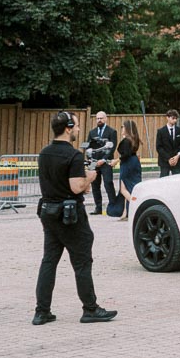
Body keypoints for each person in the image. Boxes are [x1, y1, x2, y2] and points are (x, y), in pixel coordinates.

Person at [32, 111, 117, 325]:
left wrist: (80, 186)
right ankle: (90, 309)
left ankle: (42, 311)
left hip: (48, 212)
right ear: (68, 128)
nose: (79, 130)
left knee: (49, 261)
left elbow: (58, 182)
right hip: (69, 215)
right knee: (81, 262)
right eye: (77, 126)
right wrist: (88, 178)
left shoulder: (44, 153)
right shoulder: (73, 155)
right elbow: (76, 186)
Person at [85, 112, 117, 215]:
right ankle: (98, 208)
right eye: (97, 118)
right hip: (94, 163)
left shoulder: (112, 132)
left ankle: (113, 206)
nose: (99, 120)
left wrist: (103, 159)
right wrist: (90, 159)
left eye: (101, 118)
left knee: (108, 183)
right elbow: (88, 147)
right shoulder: (92, 132)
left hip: (106, 162)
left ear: (106, 119)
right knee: (95, 185)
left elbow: (112, 148)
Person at [115, 120, 143, 221]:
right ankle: (126, 213)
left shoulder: (127, 140)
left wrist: (116, 161)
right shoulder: (133, 139)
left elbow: (125, 154)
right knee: (130, 187)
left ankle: (137, 205)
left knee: (123, 188)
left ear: (127, 128)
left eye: (123, 127)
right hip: (133, 162)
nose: (121, 129)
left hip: (127, 164)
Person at [155, 109, 180, 178]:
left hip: (177, 161)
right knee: (163, 180)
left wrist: (177, 156)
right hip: (164, 161)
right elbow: (159, 147)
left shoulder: (179, 131)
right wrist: (168, 158)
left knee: (178, 180)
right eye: (173, 118)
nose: (175, 120)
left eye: (176, 118)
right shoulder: (161, 131)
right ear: (167, 117)